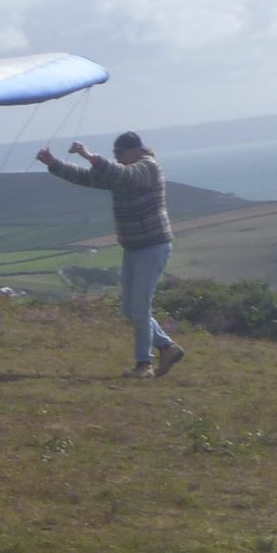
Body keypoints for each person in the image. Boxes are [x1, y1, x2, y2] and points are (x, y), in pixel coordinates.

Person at [37, 131, 183, 378]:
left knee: (140, 309)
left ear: (136, 150)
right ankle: (167, 347)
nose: (117, 157)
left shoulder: (148, 168)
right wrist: (53, 163)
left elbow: (124, 174)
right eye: (115, 153)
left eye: (120, 153)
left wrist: (88, 155)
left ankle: (144, 365)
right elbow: (86, 177)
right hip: (133, 248)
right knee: (131, 310)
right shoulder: (121, 173)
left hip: (153, 247)